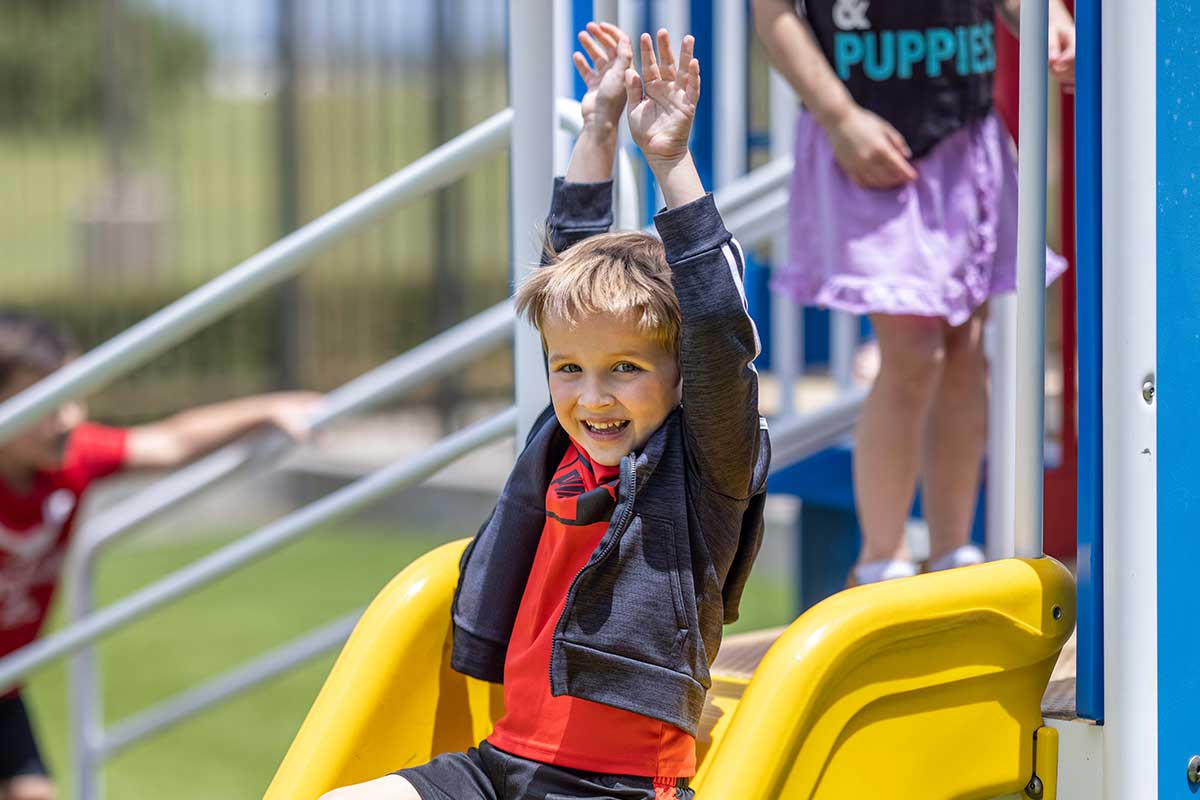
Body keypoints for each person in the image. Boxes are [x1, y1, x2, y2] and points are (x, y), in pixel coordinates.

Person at [320, 22, 769, 800]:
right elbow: (567, 269)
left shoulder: (699, 474)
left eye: (625, 370)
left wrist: (668, 161)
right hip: (499, 764)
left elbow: (720, 326)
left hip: (614, 786)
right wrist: (596, 127)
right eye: (571, 370)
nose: (592, 396)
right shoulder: (561, 445)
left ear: (682, 377)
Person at [752, 0, 1075, 585]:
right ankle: (882, 558)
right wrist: (839, 117)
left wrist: (1048, 19)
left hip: (960, 131)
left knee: (963, 344)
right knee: (913, 349)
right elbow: (775, 15)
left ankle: (953, 549)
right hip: (869, 140)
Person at [0, 308, 322, 800]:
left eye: (75, 393)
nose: (71, 416)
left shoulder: (72, 460)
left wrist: (266, 410)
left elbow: (170, 440)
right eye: (48, 402)